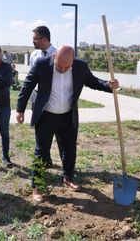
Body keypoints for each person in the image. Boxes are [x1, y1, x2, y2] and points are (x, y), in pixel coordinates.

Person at [16, 46, 119, 202]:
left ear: (73, 61)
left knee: (70, 149)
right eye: (59, 66)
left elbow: (93, 81)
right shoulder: (41, 64)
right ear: (54, 57)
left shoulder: (80, 66)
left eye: (67, 67)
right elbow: (27, 85)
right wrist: (20, 110)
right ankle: (37, 186)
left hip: (67, 116)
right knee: (42, 151)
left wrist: (108, 85)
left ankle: (68, 177)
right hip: (46, 116)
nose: (63, 69)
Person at [29, 25, 58, 167]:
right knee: (39, 129)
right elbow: (30, 79)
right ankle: (44, 157)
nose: (33, 41)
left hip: (50, 98)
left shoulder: (57, 54)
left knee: (51, 129)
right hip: (36, 97)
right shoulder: (34, 55)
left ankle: (46, 156)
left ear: (44, 39)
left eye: (35, 39)